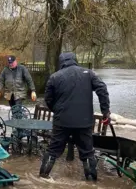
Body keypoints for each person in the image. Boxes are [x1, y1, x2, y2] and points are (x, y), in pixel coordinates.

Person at [39, 52, 111, 181]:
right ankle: (90, 183)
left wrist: (57, 111)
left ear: (61, 62)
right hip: (84, 122)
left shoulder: (54, 77)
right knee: (88, 152)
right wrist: (105, 112)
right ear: (75, 60)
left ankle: (43, 177)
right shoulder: (89, 74)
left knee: (53, 150)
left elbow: (48, 100)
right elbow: (102, 89)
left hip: (62, 121)